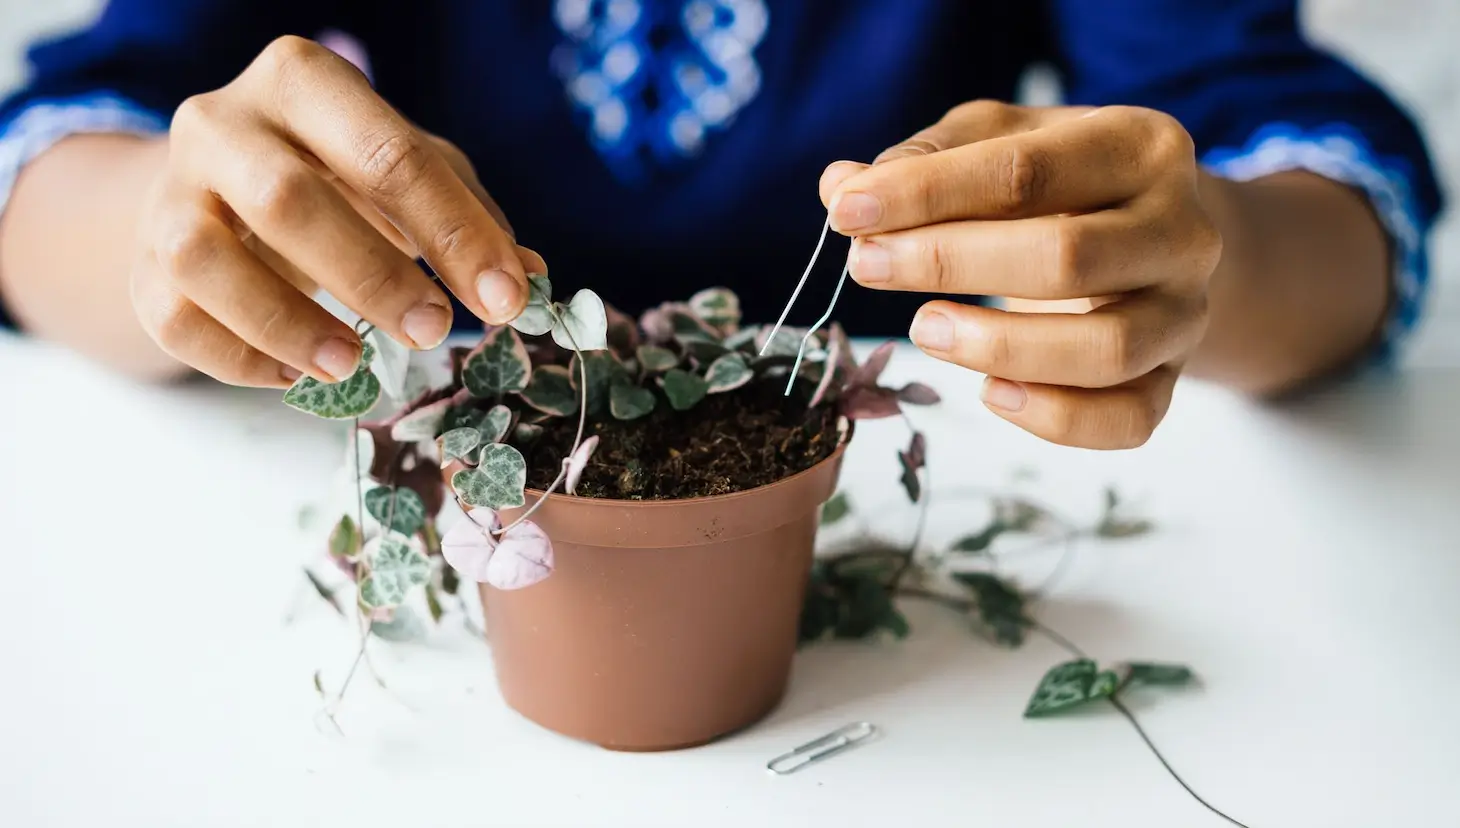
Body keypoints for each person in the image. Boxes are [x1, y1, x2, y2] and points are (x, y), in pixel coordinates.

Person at [0, 1, 1443, 450]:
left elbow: (1297, 155)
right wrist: (155, 232)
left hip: (879, 515)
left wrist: (1216, 263)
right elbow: (68, 141)